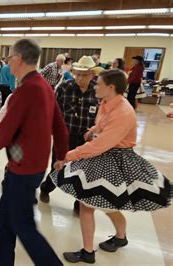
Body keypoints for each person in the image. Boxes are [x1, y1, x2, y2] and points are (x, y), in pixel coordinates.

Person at [50, 69, 171, 264]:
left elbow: (100, 146)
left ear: (111, 87)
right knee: (101, 204)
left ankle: (88, 252)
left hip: (114, 158)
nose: (94, 86)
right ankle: (120, 237)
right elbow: (103, 125)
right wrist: (93, 129)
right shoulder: (106, 102)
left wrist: (67, 156)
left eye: (98, 84)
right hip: (105, 154)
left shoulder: (124, 111)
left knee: (88, 205)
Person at [0, 39, 68, 266]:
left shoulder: (27, 89)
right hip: (30, 165)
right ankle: (1, 260)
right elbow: (60, 127)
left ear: (19, 59)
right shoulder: (43, 85)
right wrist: (61, 155)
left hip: (24, 169)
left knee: (23, 225)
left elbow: (5, 129)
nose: (7, 64)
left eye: (8, 59)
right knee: (5, 216)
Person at [39, 55, 98, 213]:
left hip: (87, 139)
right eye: (77, 74)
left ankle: (79, 205)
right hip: (64, 136)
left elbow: (103, 115)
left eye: (84, 75)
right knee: (58, 167)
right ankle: (46, 188)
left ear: (92, 74)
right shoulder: (64, 87)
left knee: (83, 172)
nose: (80, 78)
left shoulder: (98, 90)